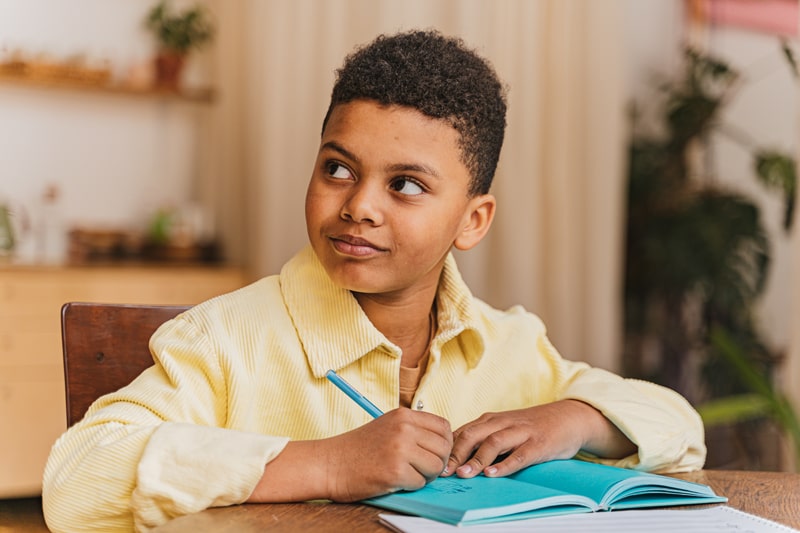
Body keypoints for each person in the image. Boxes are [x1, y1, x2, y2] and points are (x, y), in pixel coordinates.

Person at [42, 30, 706, 532]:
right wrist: (325, 463)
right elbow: (75, 480)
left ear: (472, 220)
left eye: (406, 184)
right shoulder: (223, 339)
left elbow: (680, 426)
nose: (360, 204)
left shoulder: (510, 346)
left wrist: (576, 417)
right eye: (337, 168)